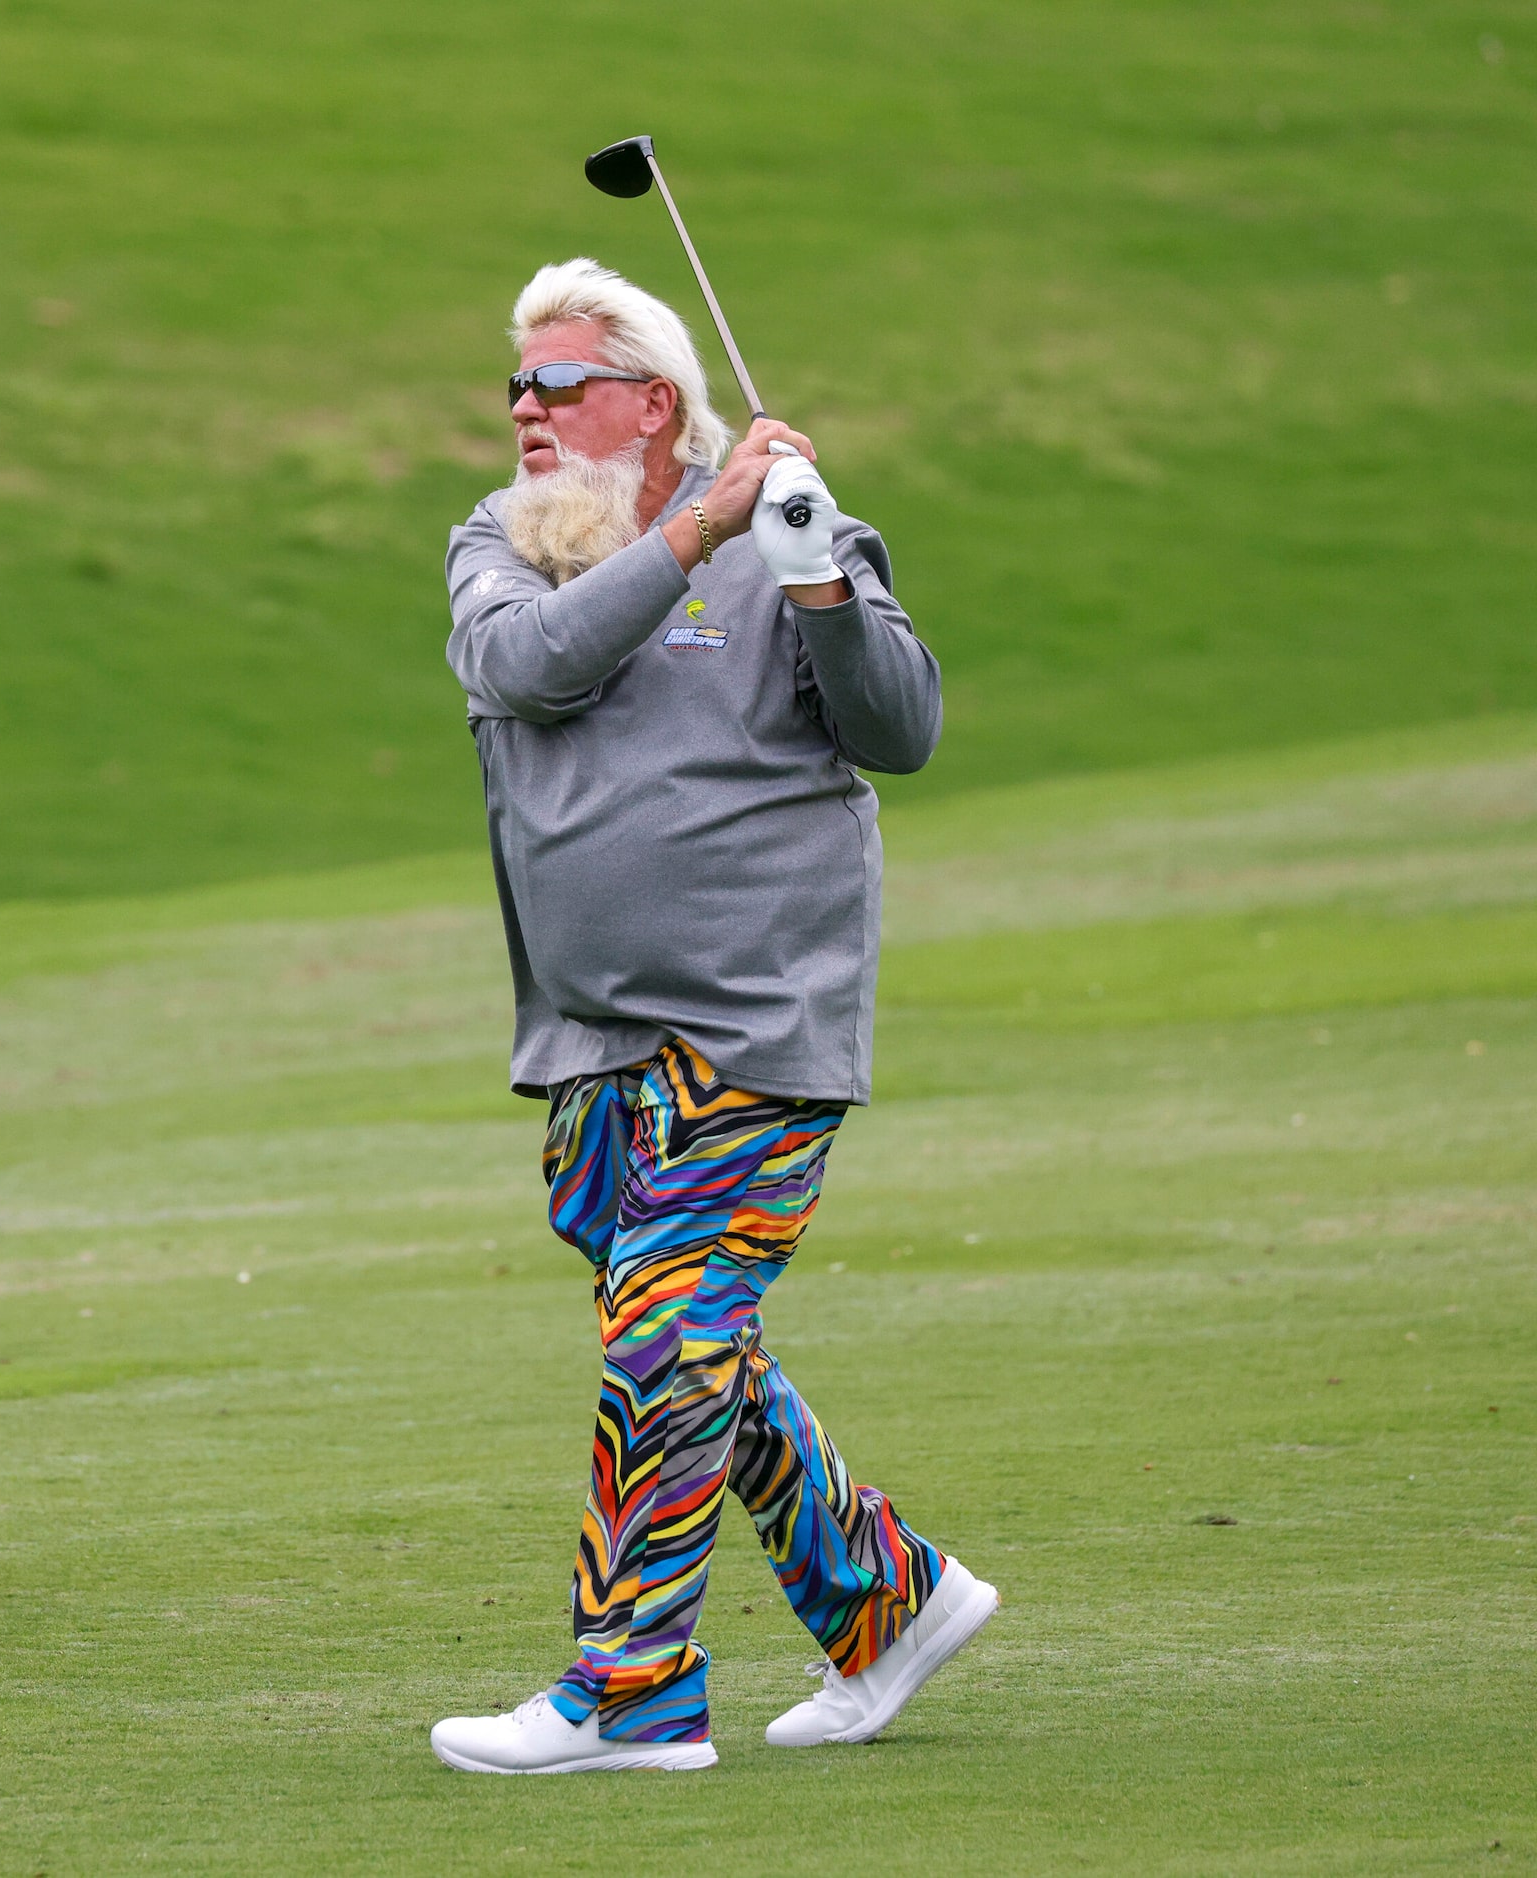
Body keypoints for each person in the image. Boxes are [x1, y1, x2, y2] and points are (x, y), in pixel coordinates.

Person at [426, 260, 997, 1774]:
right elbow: (525, 667)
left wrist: (818, 581)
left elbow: (903, 727)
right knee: (693, 1339)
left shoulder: (795, 533)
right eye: (517, 387)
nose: (525, 411)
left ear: (654, 399)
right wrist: (698, 531)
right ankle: (886, 1601)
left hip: (757, 1024)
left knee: (669, 1330)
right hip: (595, 1042)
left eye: (557, 383)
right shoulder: (502, 546)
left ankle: (631, 1690)